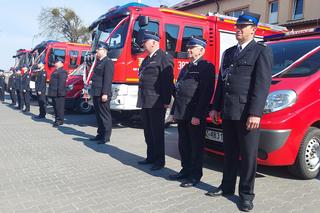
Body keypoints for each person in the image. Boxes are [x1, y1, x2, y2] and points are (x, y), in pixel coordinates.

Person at [206, 12, 273, 212]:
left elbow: (261, 85)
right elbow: (222, 82)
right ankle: (226, 187)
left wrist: (255, 113)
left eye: (243, 27)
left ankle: (246, 195)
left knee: (248, 156)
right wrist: (215, 107)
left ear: (253, 29)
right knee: (230, 153)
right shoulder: (228, 53)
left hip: (246, 114)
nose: (238, 29)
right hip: (228, 111)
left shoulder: (261, 51)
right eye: (237, 26)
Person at [168, 37, 215, 187]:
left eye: (192, 47)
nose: (188, 50)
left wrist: (198, 115)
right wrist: (175, 112)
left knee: (195, 146)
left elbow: (205, 93)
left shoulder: (206, 67)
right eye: (188, 47)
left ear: (202, 50)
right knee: (184, 144)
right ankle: (185, 170)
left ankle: (195, 175)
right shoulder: (186, 67)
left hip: (194, 114)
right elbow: (180, 90)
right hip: (182, 112)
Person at [136, 31, 174, 171]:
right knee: (148, 131)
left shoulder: (163, 57)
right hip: (145, 100)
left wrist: (166, 101)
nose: (143, 45)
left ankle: (159, 160)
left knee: (157, 132)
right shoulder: (147, 59)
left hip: (157, 101)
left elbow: (167, 81)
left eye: (145, 42)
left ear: (153, 42)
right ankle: (150, 156)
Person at [90, 42, 114, 144]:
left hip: (102, 93)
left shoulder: (108, 62)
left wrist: (105, 93)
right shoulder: (99, 62)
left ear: (104, 50)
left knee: (105, 116)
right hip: (96, 92)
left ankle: (105, 137)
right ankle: (100, 134)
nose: (96, 51)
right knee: (99, 116)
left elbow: (107, 79)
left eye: (98, 50)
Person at [48, 57, 68, 127]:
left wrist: (59, 93)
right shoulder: (55, 71)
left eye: (57, 62)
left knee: (59, 108)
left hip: (59, 93)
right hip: (54, 92)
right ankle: (57, 119)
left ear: (61, 63)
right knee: (56, 107)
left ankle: (60, 121)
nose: (55, 63)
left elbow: (61, 83)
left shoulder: (62, 71)